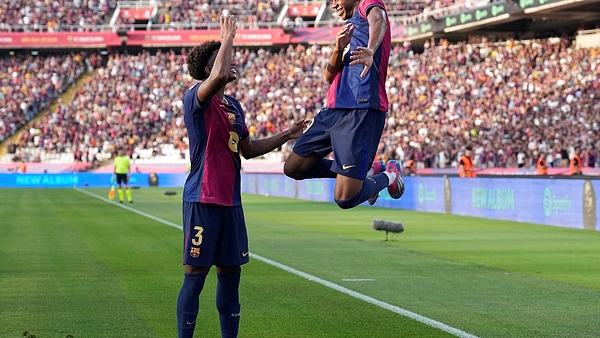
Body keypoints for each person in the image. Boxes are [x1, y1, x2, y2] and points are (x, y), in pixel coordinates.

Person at [177, 15, 307, 338]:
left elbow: (247, 149)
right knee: (195, 277)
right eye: (223, 56)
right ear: (209, 69)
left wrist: (286, 135)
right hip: (202, 199)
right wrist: (226, 37)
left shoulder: (234, 106)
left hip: (231, 203)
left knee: (231, 276)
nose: (231, 60)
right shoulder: (196, 99)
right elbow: (221, 71)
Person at [283, 0, 404, 209]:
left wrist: (371, 50)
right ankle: (366, 172)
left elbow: (379, 20)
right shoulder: (349, 28)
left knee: (345, 198)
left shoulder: (367, 5)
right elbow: (328, 76)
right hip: (333, 108)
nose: (334, 4)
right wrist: (338, 50)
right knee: (293, 167)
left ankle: (390, 175)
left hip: (360, 108)